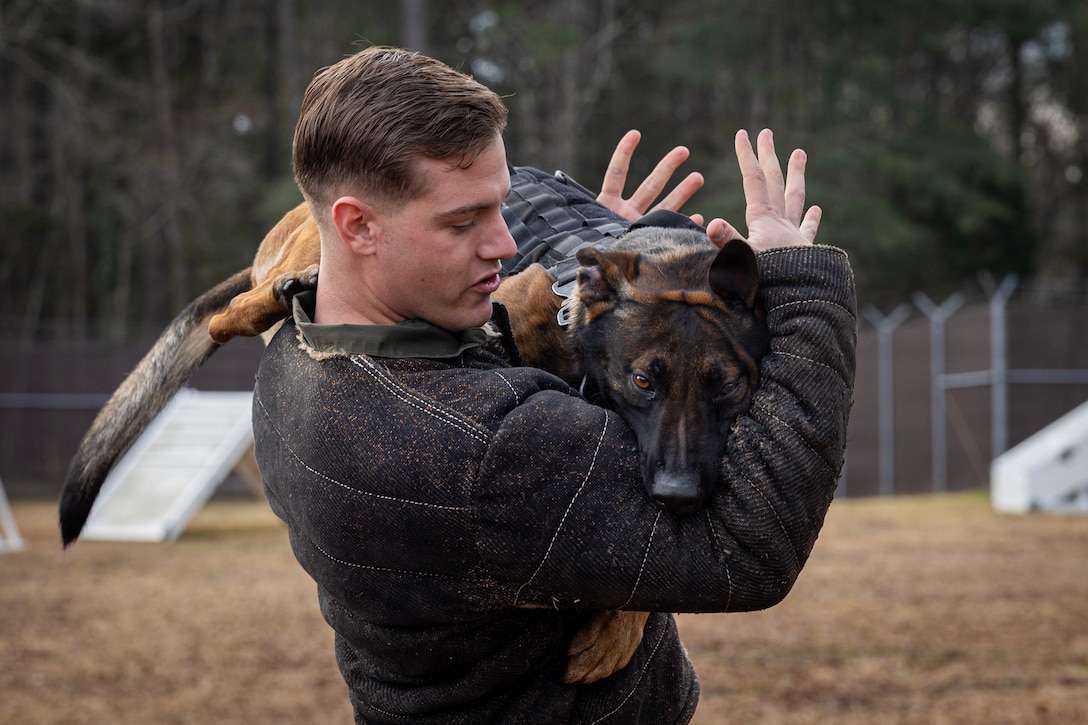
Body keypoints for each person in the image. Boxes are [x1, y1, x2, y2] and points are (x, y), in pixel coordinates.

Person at [253, 46, 855, 723]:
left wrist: (596, 278)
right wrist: (802, 285)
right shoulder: (491, 447)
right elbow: (750, 545)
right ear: (357, 224)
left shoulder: (293, 358)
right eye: (463, 221)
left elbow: (477, 359)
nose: (507, 243)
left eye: (503, 207)